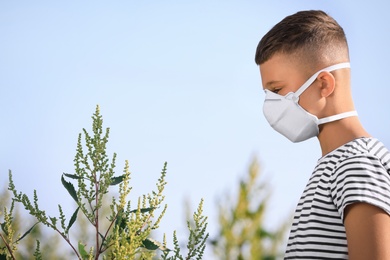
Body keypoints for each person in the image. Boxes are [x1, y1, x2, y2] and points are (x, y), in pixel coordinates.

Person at [254, 10, 390, 259]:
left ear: (324, 84)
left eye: (277, 89)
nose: (271, 104)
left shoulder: (357, 165)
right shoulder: (335, 165)